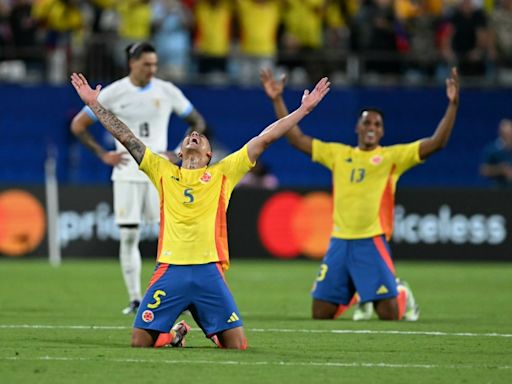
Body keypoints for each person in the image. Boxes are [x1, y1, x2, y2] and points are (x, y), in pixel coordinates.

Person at [70, 72, 330, 348]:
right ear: (180, 152)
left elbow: (265, 138)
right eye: (190, 136)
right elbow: (125, 136)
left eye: (201, 137)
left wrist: (303, 110)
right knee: (139, 342)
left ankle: (209, 325)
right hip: (170, 269)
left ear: (209, 154)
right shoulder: (161, 170)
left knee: (237, 347)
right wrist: (95, 105)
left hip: (209, 272)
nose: (194, 135)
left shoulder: (224, 173)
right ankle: (174, 333)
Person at [260, 67, 459, 321]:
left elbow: (436, 142)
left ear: (383, 131)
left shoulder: (392, 158)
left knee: (388, 315)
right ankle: (358, 292)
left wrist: (452, 106)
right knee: (320, 314)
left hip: (370, 240)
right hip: (339, 241)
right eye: (366, 122)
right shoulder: (339, 154)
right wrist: (277, 99)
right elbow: (296, 139)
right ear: (357, 127)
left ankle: (401, 292)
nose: (371, 127)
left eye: (377, 124)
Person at [70, 42, 206, 315]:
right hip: (127, 173)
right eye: (147, 64)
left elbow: (197, 121)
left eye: (155, 64)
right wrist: (102, 154)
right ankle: (135, 298)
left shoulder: (166, 91)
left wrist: (178, 151)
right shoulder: (114, 92)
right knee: (129, 236)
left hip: (161, 175)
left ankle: (173, 295)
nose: (152, 69)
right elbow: (78, 125)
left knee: (169, 236)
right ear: (132, 63)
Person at [479, 118, 512, 187]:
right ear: (500, 133)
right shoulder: (492, 149)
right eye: (507, 134)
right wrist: (500, 169)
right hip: (499, 190)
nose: (509, 136)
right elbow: (484, 170)